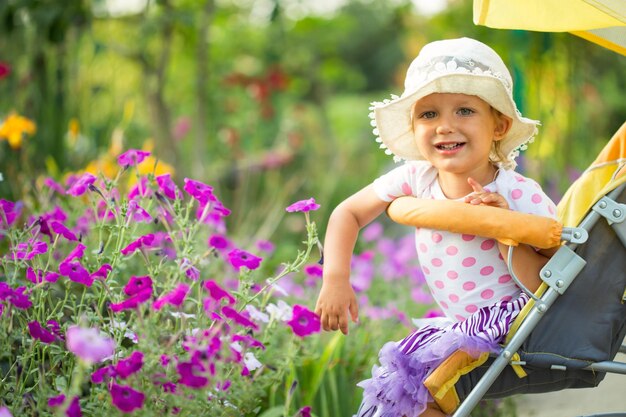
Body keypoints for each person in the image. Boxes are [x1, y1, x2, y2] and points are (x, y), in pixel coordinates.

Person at [314, 37, 559, 417]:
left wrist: (507, 224)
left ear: (499, 125)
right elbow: (347, 213)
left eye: (464, 110)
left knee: (426, 388)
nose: (445, 126)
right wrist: (336, 279)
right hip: (461, 323)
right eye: (428, 115)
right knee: (399, 393)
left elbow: (559, 263)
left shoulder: (515, 190)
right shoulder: (418, 177)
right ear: (413, 129)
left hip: (516, 321)